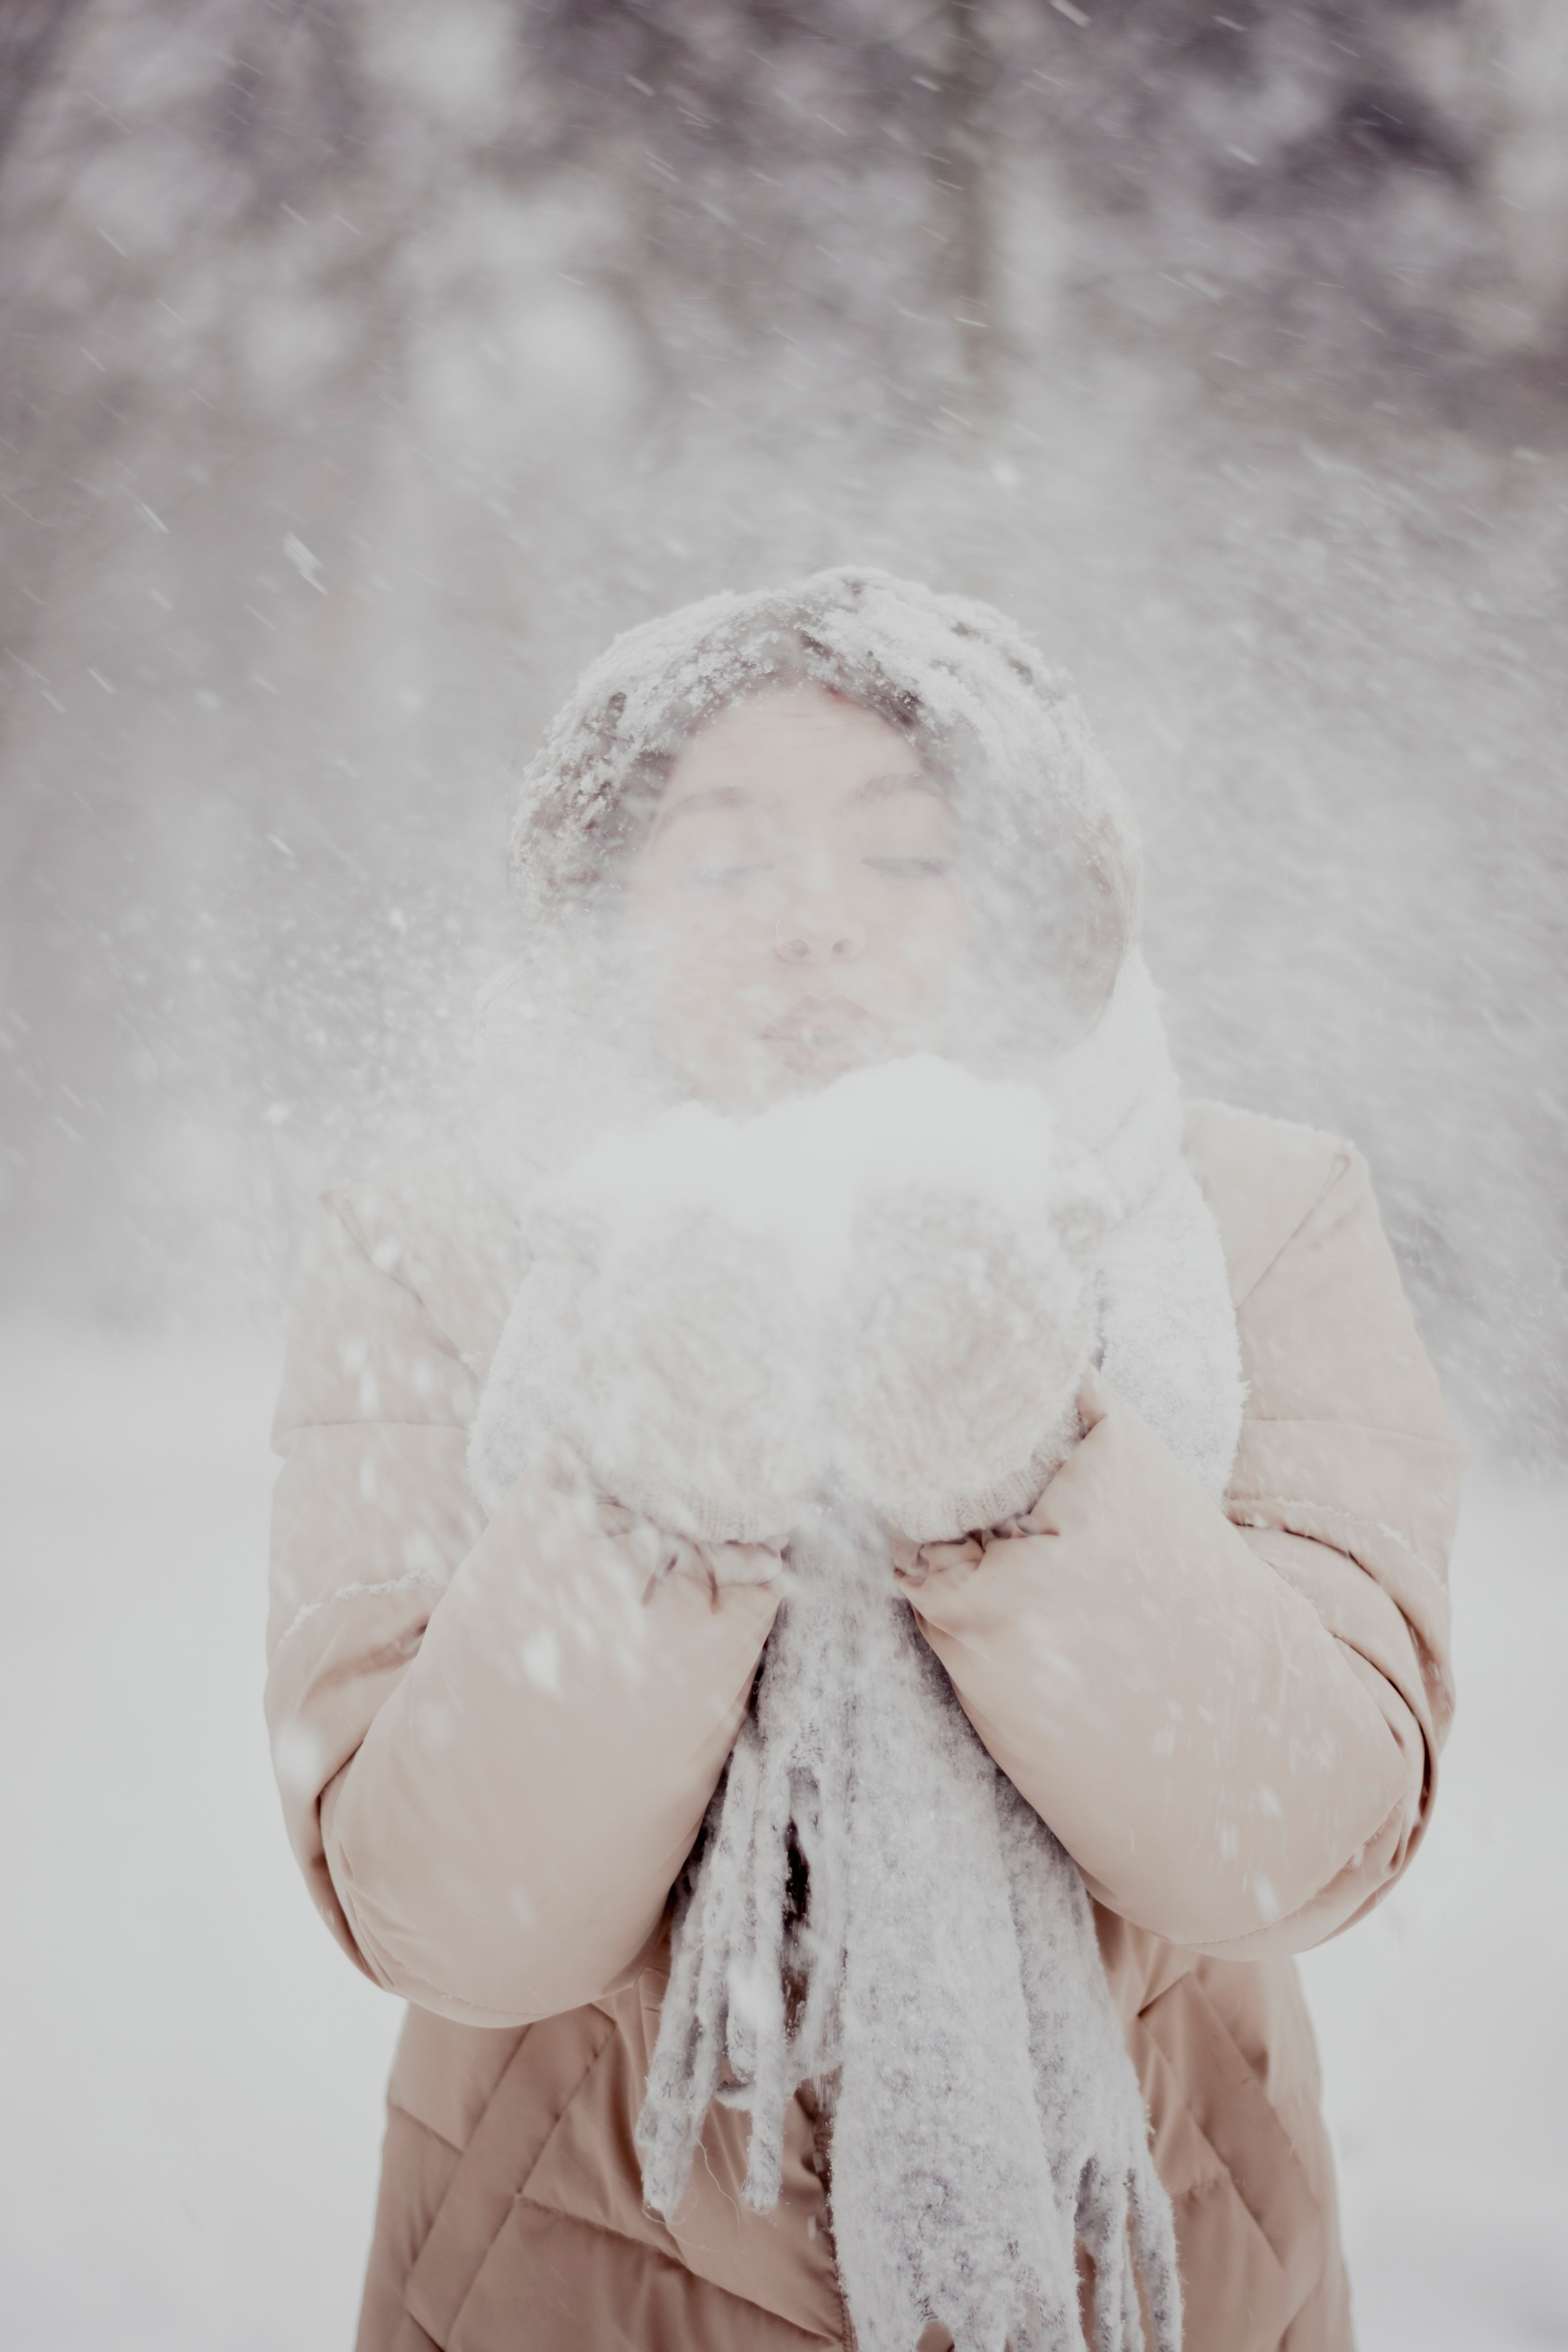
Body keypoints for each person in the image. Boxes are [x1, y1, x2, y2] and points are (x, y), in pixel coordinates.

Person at [265, 570, 1461, 2352]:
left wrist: (1016, 1467)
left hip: (1168, 2280)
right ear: (610, 913)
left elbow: (1295, 1848)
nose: (813, 921)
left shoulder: (1253, 1217)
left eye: (905, 854)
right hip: (571, 2284)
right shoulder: (446, 1250)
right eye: (727, 861)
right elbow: (457, 1919)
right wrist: (661, 1474)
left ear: (1031, 897)